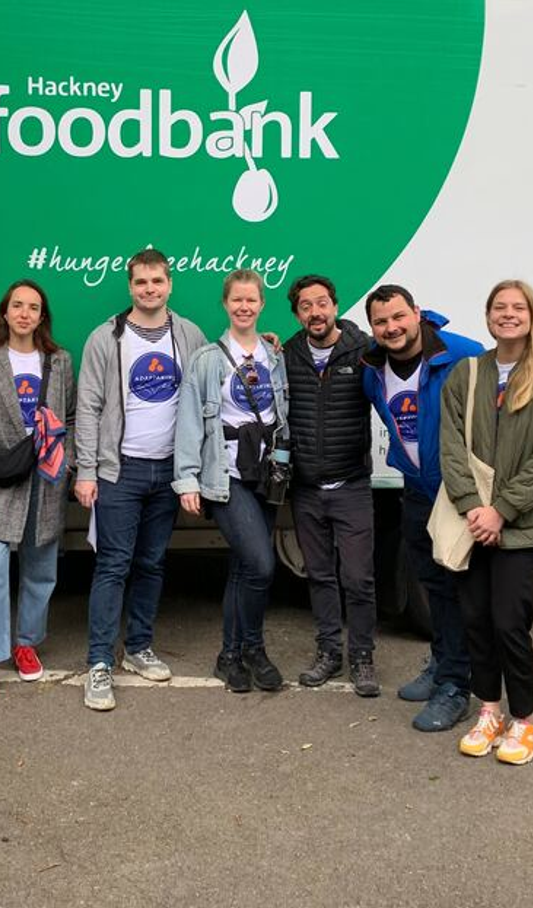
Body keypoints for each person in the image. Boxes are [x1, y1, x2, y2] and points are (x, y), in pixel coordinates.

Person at [440, 280, 533, 765]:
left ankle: (525, 721)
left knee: (509, 622)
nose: (508, 314)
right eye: (500, 307)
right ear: (488, 316)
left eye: (518, 307)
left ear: (532, 316)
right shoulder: (467, 372)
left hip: (523, 526)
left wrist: (503, 510)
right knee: (475, 619)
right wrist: (473, 507)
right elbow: (451, 444)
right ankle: (490, 711)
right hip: (473, 521)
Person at [75, 248, 206, 710]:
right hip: (120, 470)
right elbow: (88, 407)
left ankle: (138, 648)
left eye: (157, 281)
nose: (149, 289)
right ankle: (98, 663)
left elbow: (207, 389)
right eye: (141, 283)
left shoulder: (189, 334)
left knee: (151, 563)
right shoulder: (105, 337)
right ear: (130, 287)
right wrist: (87, 471)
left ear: (170, 284)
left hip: (168, 470)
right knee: (113, 565)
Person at [362, 284, 483, 731]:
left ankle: (456, 686)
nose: (391, 328)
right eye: (381, 322)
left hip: (457, 494)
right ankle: (442, 660)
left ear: (416, 313)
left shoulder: (464, 354)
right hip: (414, 489)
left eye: (398, 317)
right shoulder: (372, 368)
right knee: (432, 587)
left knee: (457, 589)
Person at [0, 280, 75, 710]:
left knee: (41, 568)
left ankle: (27, 642)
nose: (25, 314)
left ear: (42, 317)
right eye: (17, 306)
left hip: (45, 480)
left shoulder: (59, 361)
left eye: (34, 308)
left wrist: (66, 462)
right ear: (4, 313)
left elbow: (73, 416)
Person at [173, 270, 291, 692]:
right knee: (261, 563)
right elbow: (189, 420)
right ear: (225, 304)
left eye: (252, 300)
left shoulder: (274, 356)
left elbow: (283, 413)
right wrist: (186, 479)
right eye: (237, 300)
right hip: (227, 475)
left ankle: (231, 655)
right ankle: (254, 647)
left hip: (266, 474)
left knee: (244, 567)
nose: (244, 307)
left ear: (262, 305)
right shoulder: (208, 359)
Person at [282, 274, 378, 696]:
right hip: (306, 488)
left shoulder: (363, 351)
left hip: (352, 485)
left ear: (335, 306)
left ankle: (362, 657)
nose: (315, 312)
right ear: (297, 313)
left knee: (358, 578)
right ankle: (328, 653)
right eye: (306, 306)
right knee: (319, 576)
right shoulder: (286, 354)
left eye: (322, 303)